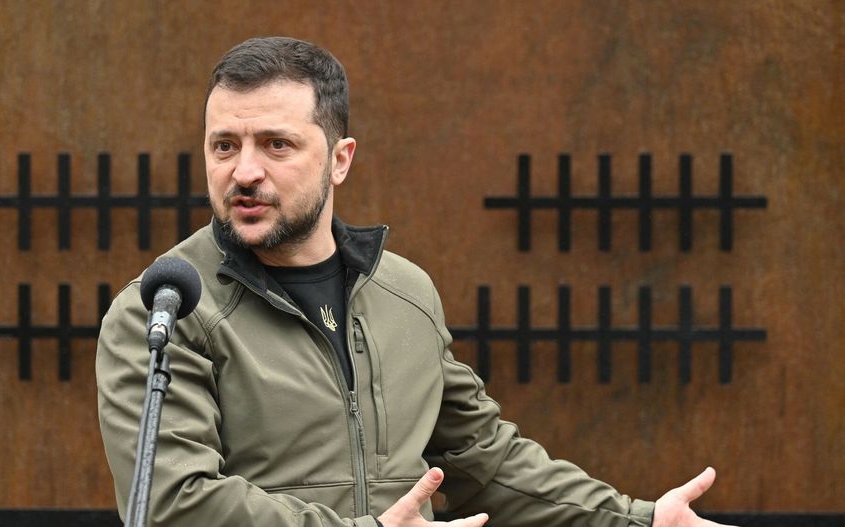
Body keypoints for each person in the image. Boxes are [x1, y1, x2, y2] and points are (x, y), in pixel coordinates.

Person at [96, 36, 735, 527]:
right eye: (224, 146)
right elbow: (173, 503)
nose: (244, 172)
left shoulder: (404, 294)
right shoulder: (165, 308)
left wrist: (639, 520)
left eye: (276, 145)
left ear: (340, 159)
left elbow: (485, 461)